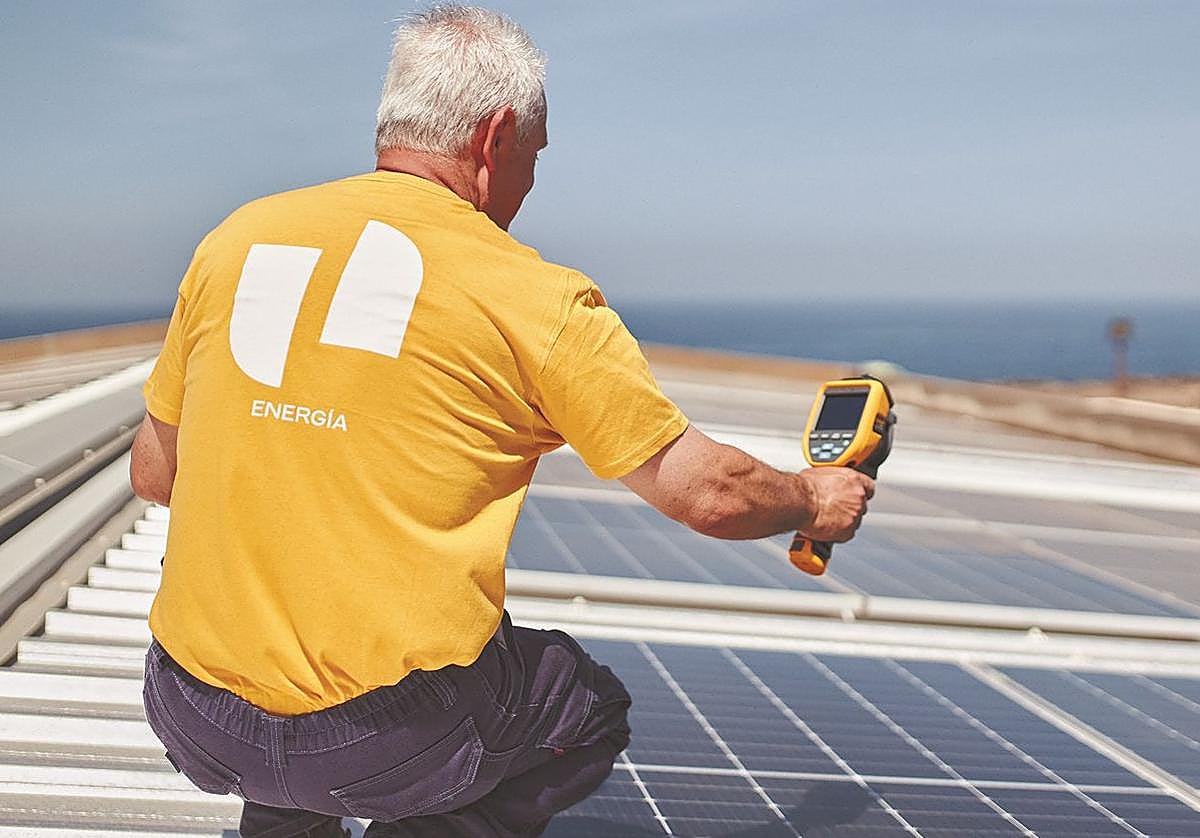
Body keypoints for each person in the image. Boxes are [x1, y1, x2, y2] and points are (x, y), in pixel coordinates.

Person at [129, 6, 874, 837]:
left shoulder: (233, 243)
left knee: (295, 712)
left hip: (192, 711)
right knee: (586, 708)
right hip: (391, 742)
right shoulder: (532, 297)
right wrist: (812, 499)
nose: (528, 182)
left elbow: (153, 476)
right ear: (496, 138)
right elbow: (708, 495)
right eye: (534, 156)